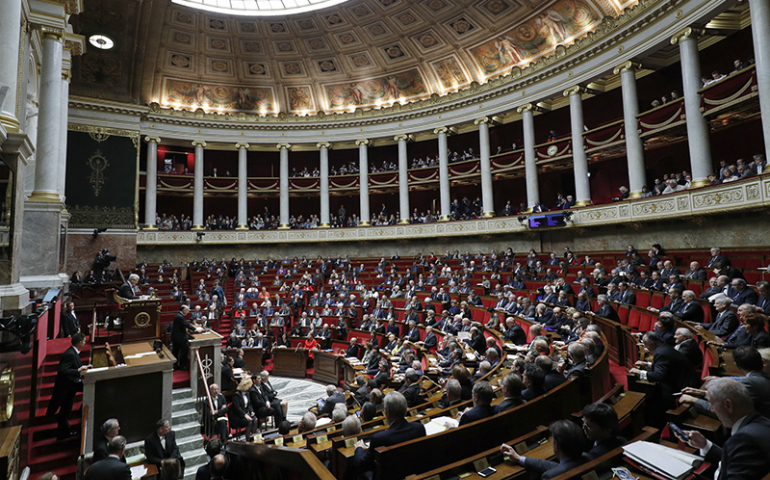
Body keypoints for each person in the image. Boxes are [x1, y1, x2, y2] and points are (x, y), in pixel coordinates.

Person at [677, 378, 770, 480]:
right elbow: (734, 460)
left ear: (728, 405)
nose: (712, 410)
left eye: (712, 404)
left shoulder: (745, 438)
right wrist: (705, 445)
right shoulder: (763, 423)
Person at [352, 392, 426, 477]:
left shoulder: (379, 438)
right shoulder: (419, 428)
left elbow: (361, 465)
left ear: (387, 412)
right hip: (412, 473)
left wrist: (359, 448)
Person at [501, 420, 586, 479]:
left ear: (557, 446)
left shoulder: (550, 476)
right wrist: (519, 458)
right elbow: (559, 467)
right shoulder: (588, 458)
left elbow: (559, 469)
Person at [47, 333, 91, 440]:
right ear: (80, 342)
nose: (85, 343)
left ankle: (65, 431)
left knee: (66, 410)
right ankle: (64, 432)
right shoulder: (70, 354)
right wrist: (78, 370)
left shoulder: (73, 353)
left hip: (70, 386)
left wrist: (82, 368)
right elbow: (62, 370)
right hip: (65, 387)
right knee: (65, 410)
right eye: (84, 341)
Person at [172, 305, 202, 370]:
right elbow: (186, 324)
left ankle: (175, 365)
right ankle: (182, 366)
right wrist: (195, 329)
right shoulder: (180, 317)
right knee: (183, 351)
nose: (188, 312)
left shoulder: (178, 315)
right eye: (187, 310)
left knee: (175, 352)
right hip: (179, 338)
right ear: (183, 310)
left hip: (176, 337)